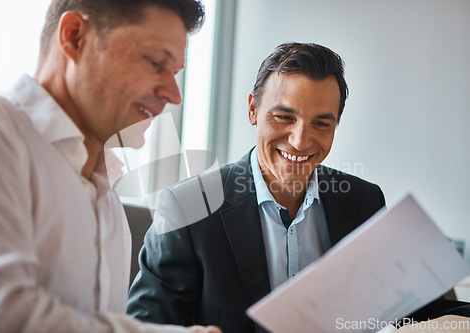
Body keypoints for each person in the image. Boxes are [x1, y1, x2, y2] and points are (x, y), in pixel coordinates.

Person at [0, 0, 221, 332]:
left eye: (174, 73)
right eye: (155, 62)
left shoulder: (106, 191)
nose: (174, 95)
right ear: (74, 37)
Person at [126, 42, 386, 332]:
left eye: (321, 124)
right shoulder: (189, 206)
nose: (300, 141)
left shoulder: (365, 202)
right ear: (253, 109)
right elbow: (145, 325)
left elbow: (409, 307)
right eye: (285, 117)